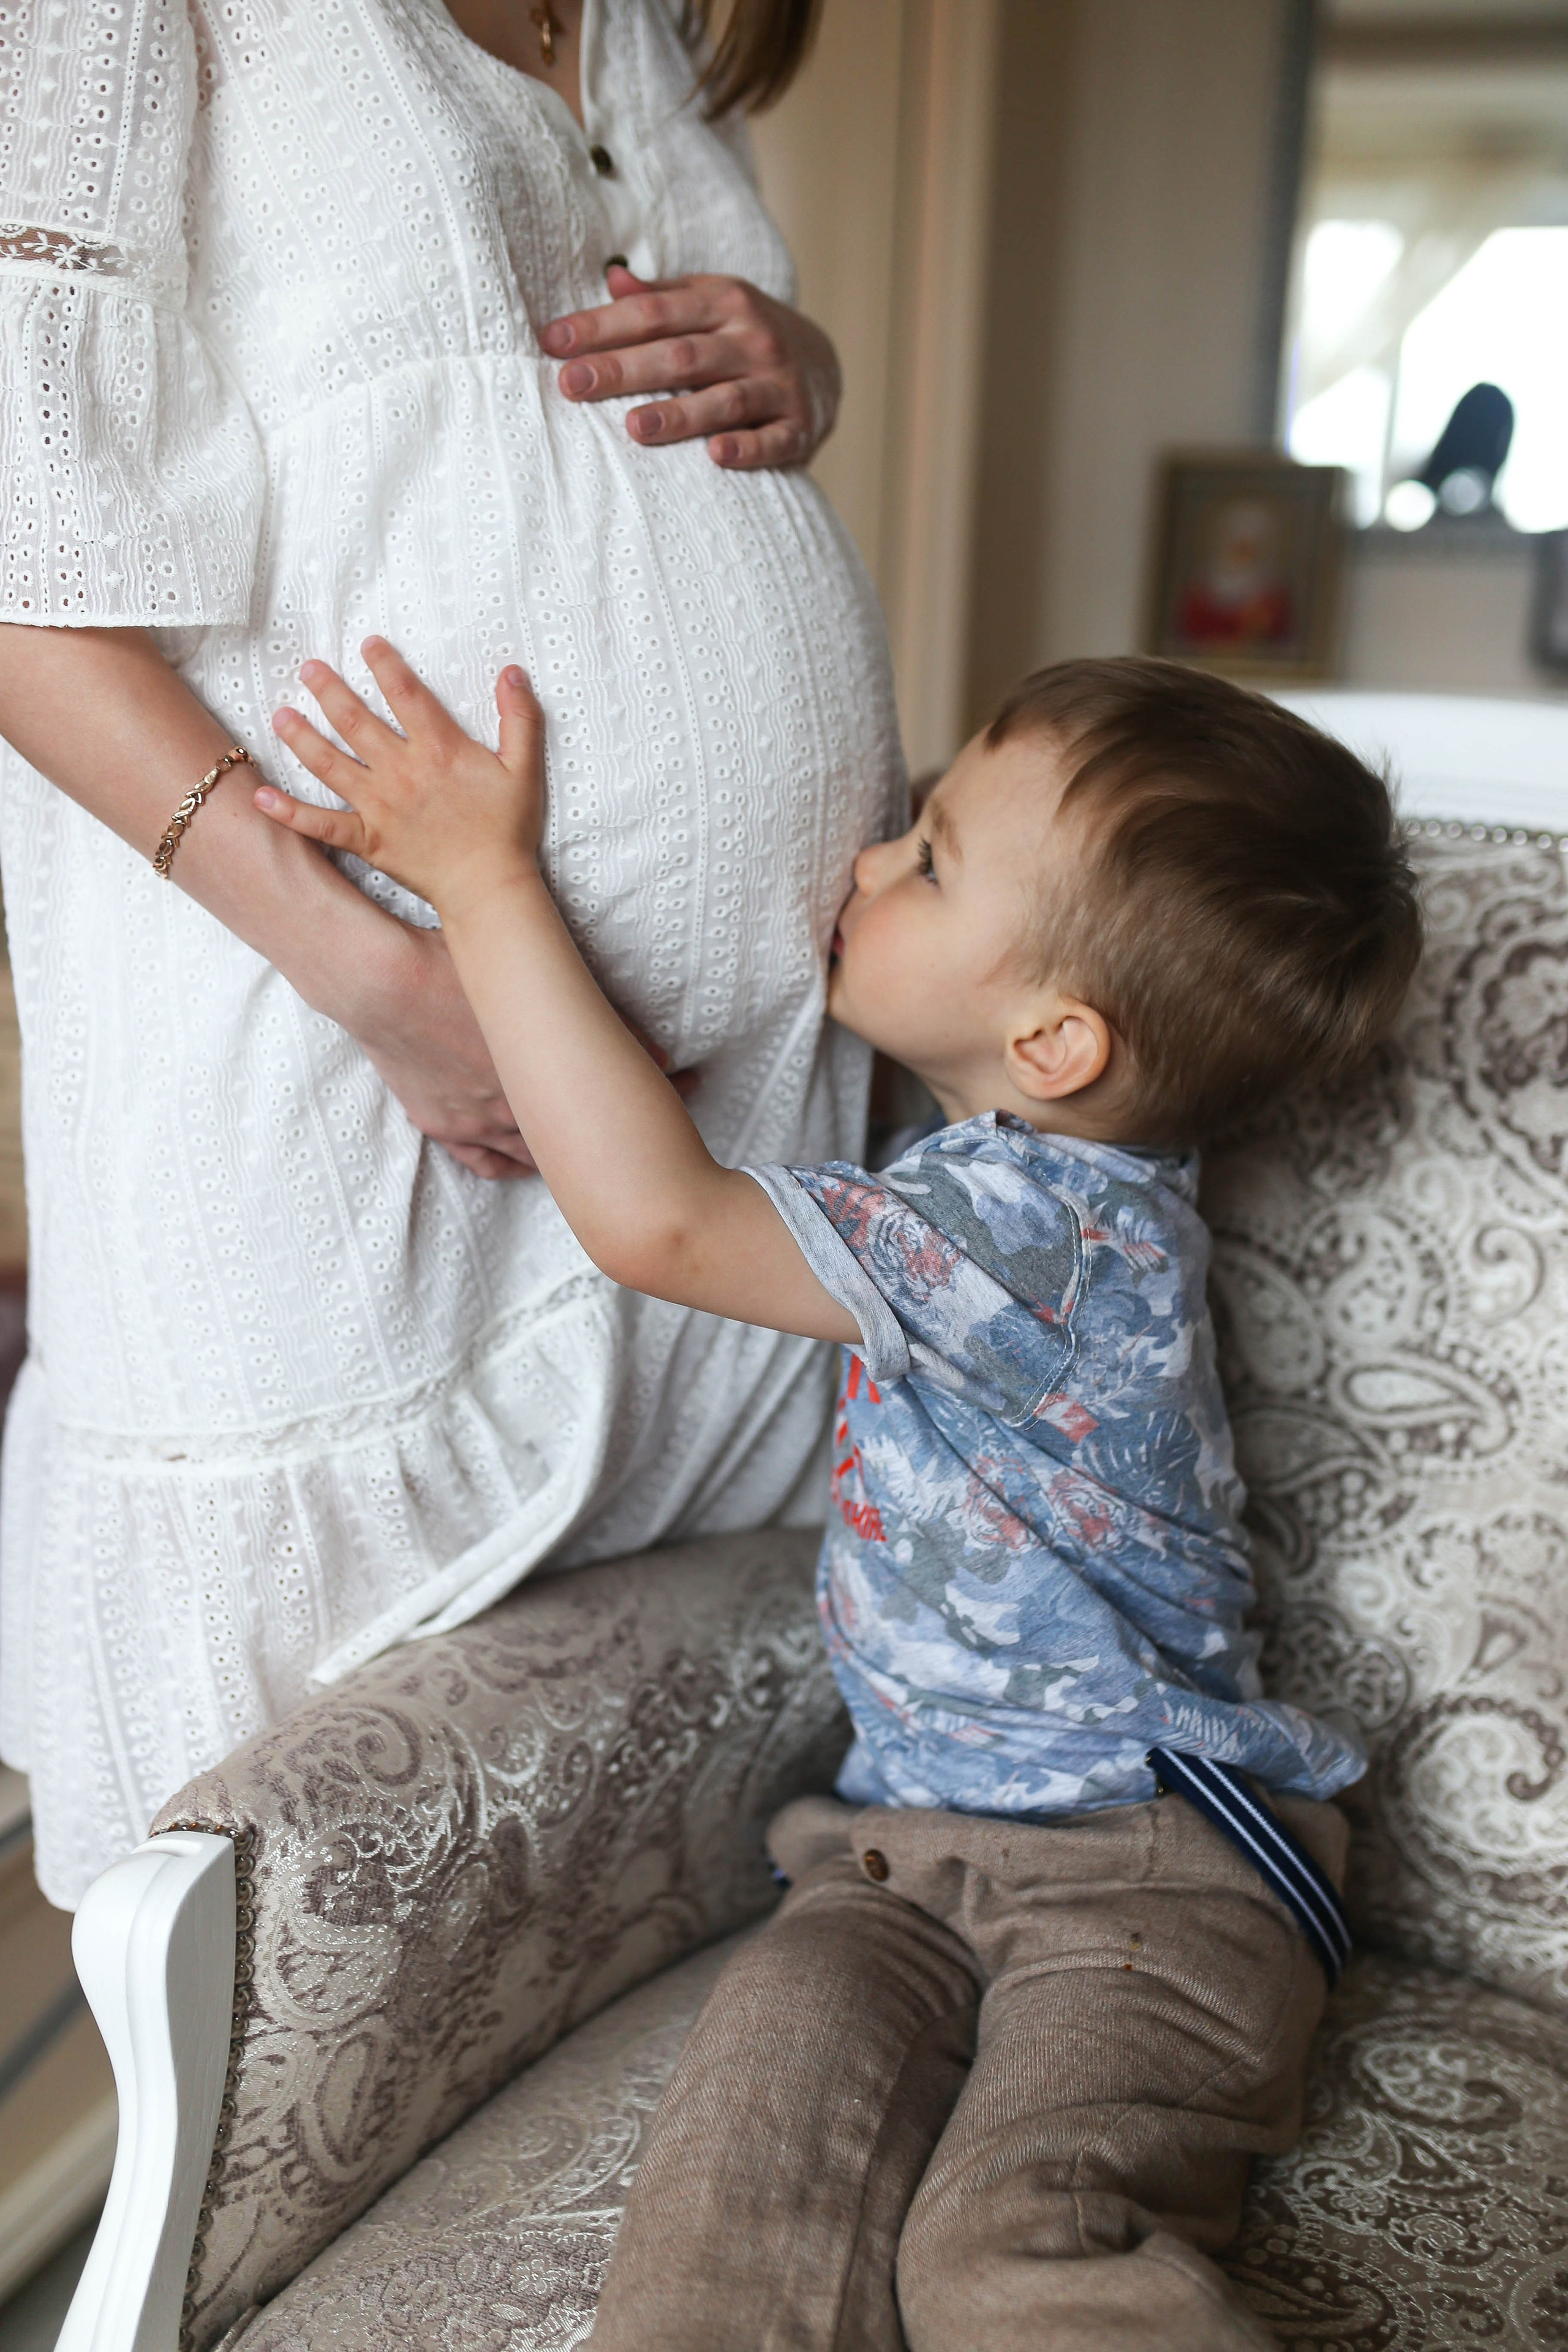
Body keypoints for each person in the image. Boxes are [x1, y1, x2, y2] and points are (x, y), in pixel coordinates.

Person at [252, 642, 1422, 2348]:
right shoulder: (988, 1171)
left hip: (1156, 1867)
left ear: (1055, 1037)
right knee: (724, 2224)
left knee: (1013, 2252)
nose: (870, 861)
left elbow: (658, 1220)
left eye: (931, 858)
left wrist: (482, 876)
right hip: (892, 1859)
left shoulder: (1047, 1231)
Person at [0, 0, 903, 1909]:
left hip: (728, 1136)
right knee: (287, 1881)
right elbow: (18, 557)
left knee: (650, 1849)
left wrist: (791, 362)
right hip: (343, 1054)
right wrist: (378, 977)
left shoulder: (627, 18)